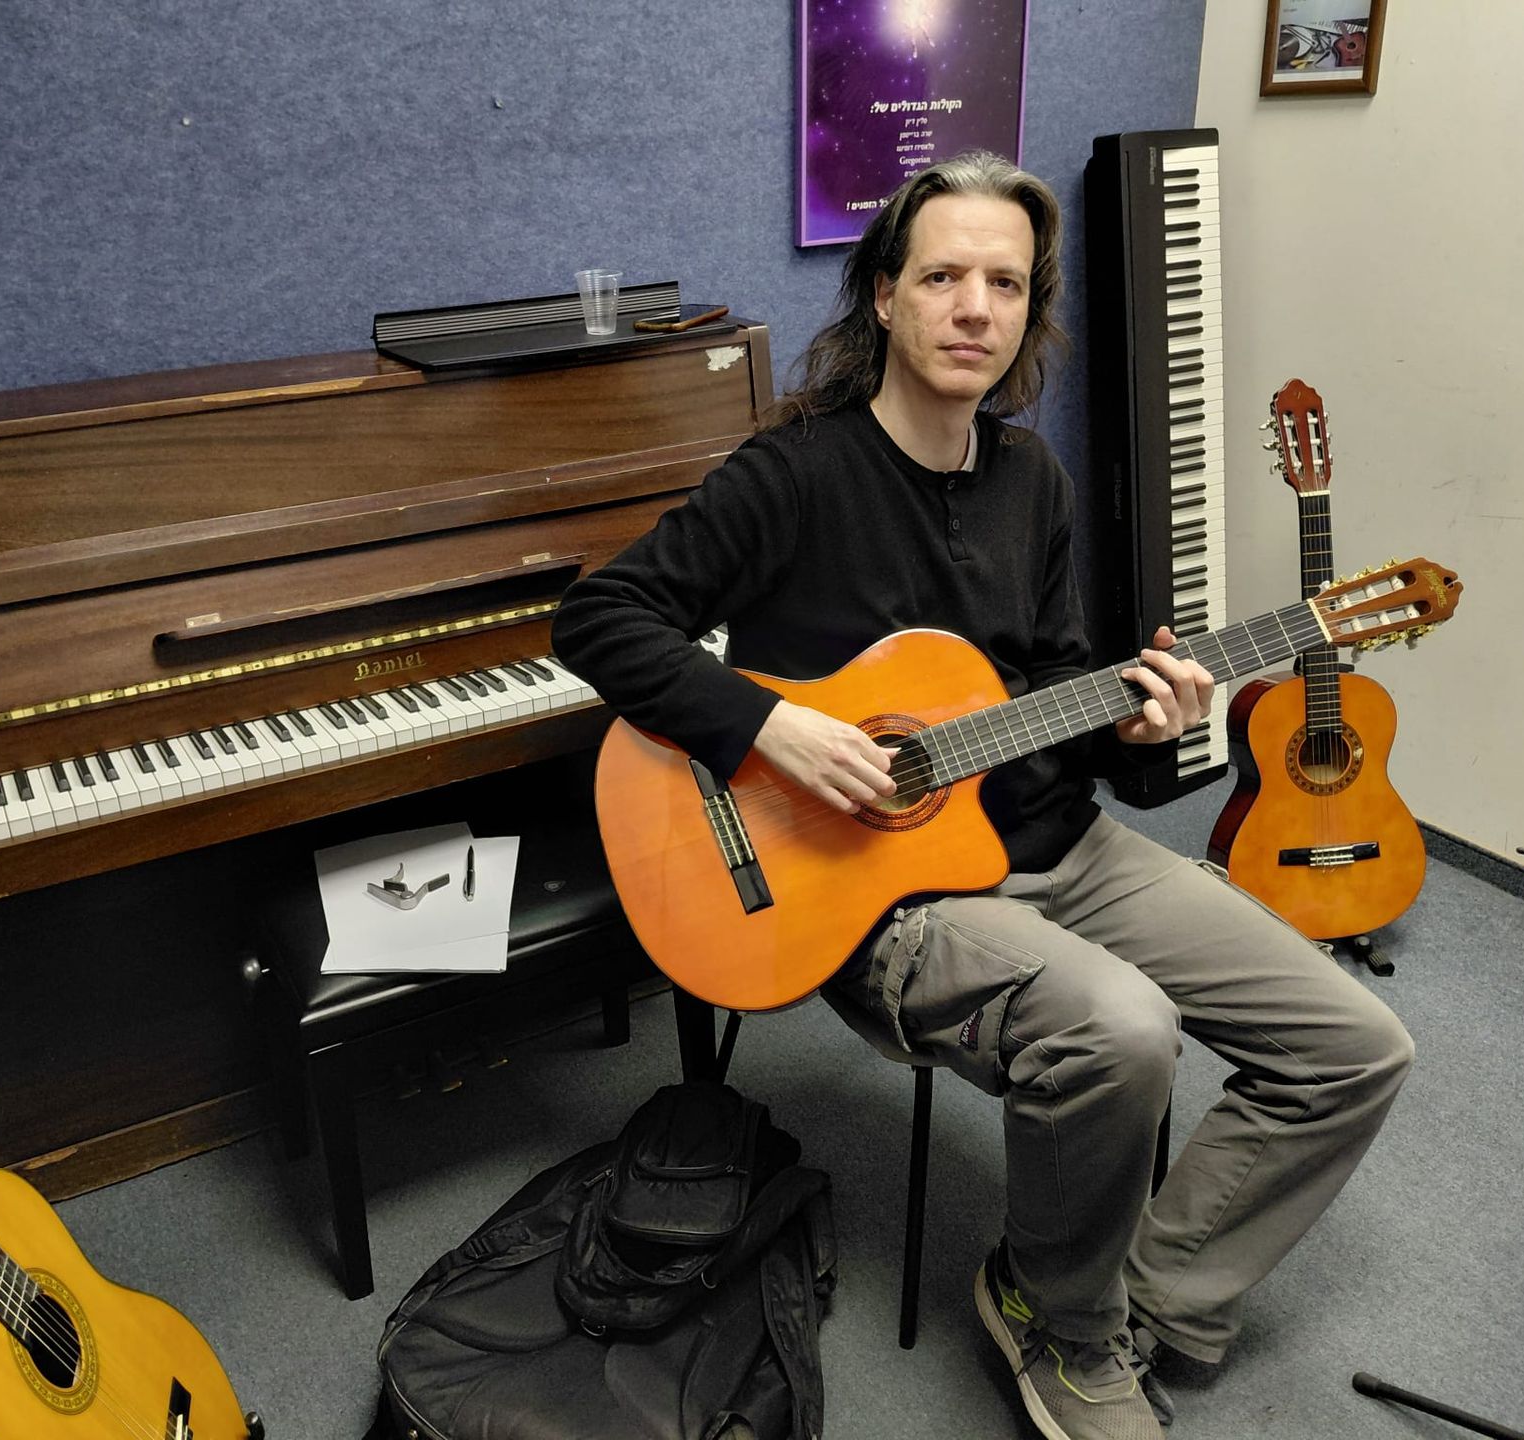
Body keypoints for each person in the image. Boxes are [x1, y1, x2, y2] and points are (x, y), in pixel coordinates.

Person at [551, 150, 1413, 1440]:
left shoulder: (1033, 481)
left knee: (1355, 1048)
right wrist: (773, 728)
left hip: (1055, 845)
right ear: (883, 296)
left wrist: (1142, 724)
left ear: (1028, 311)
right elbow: (599, 617)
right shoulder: (795, 476)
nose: (974, 308)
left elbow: (1059, 694)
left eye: (1005, 284)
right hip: (874, 890)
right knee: (1122, 1030)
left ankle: (1130, 1291)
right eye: (943, 276)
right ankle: (1064, 1329)